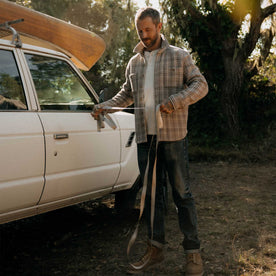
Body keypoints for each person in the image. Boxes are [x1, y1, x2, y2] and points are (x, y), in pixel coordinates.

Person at [92, 7, 208, 276]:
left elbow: (200, 85)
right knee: (153, 197)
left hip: (174, 138)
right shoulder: (134, 62)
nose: (144, 35)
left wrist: (175, 101)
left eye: (147, 29)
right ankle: (155, 250)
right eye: (139, 31)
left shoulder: (180, 56)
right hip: (146, 139)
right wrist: (104, 107)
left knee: (183, 196)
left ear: (159, 25)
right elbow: (125, 95)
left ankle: (193, 254)